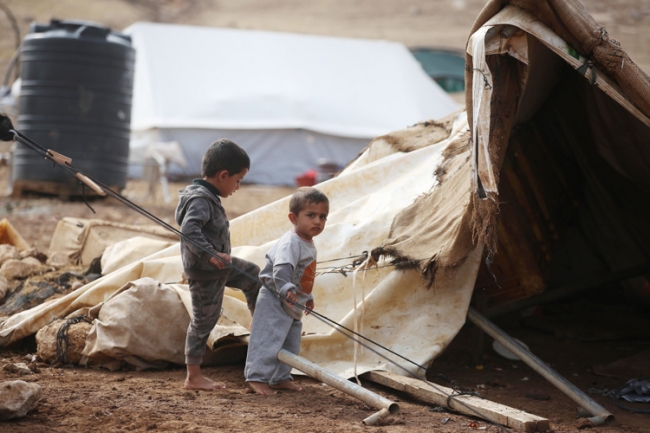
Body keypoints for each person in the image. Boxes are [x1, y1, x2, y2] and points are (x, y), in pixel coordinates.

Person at [175, 138, 261, 391]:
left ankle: (259, 323)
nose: (237, 187)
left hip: (219, 266)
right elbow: (189, 230)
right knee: (204, 320)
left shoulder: (206, 196)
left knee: (253, 276)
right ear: (223, 175)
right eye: (238, 180)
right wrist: (211, 254)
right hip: (206, 271)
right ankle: (193, 377)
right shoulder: (200, 200)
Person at [244, 186, 329, 395]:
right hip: (275, 298)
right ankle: (256, 377)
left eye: (323, 216)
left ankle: (279, 377)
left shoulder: (308, 243)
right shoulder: (291, 242)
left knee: (291, 342)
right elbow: (282, 268)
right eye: (311, 215)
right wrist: (286, 288)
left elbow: (303, 274)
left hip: (293, 302)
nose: (318, 221)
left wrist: (307, 296)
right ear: (294, 217)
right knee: (267, 338)